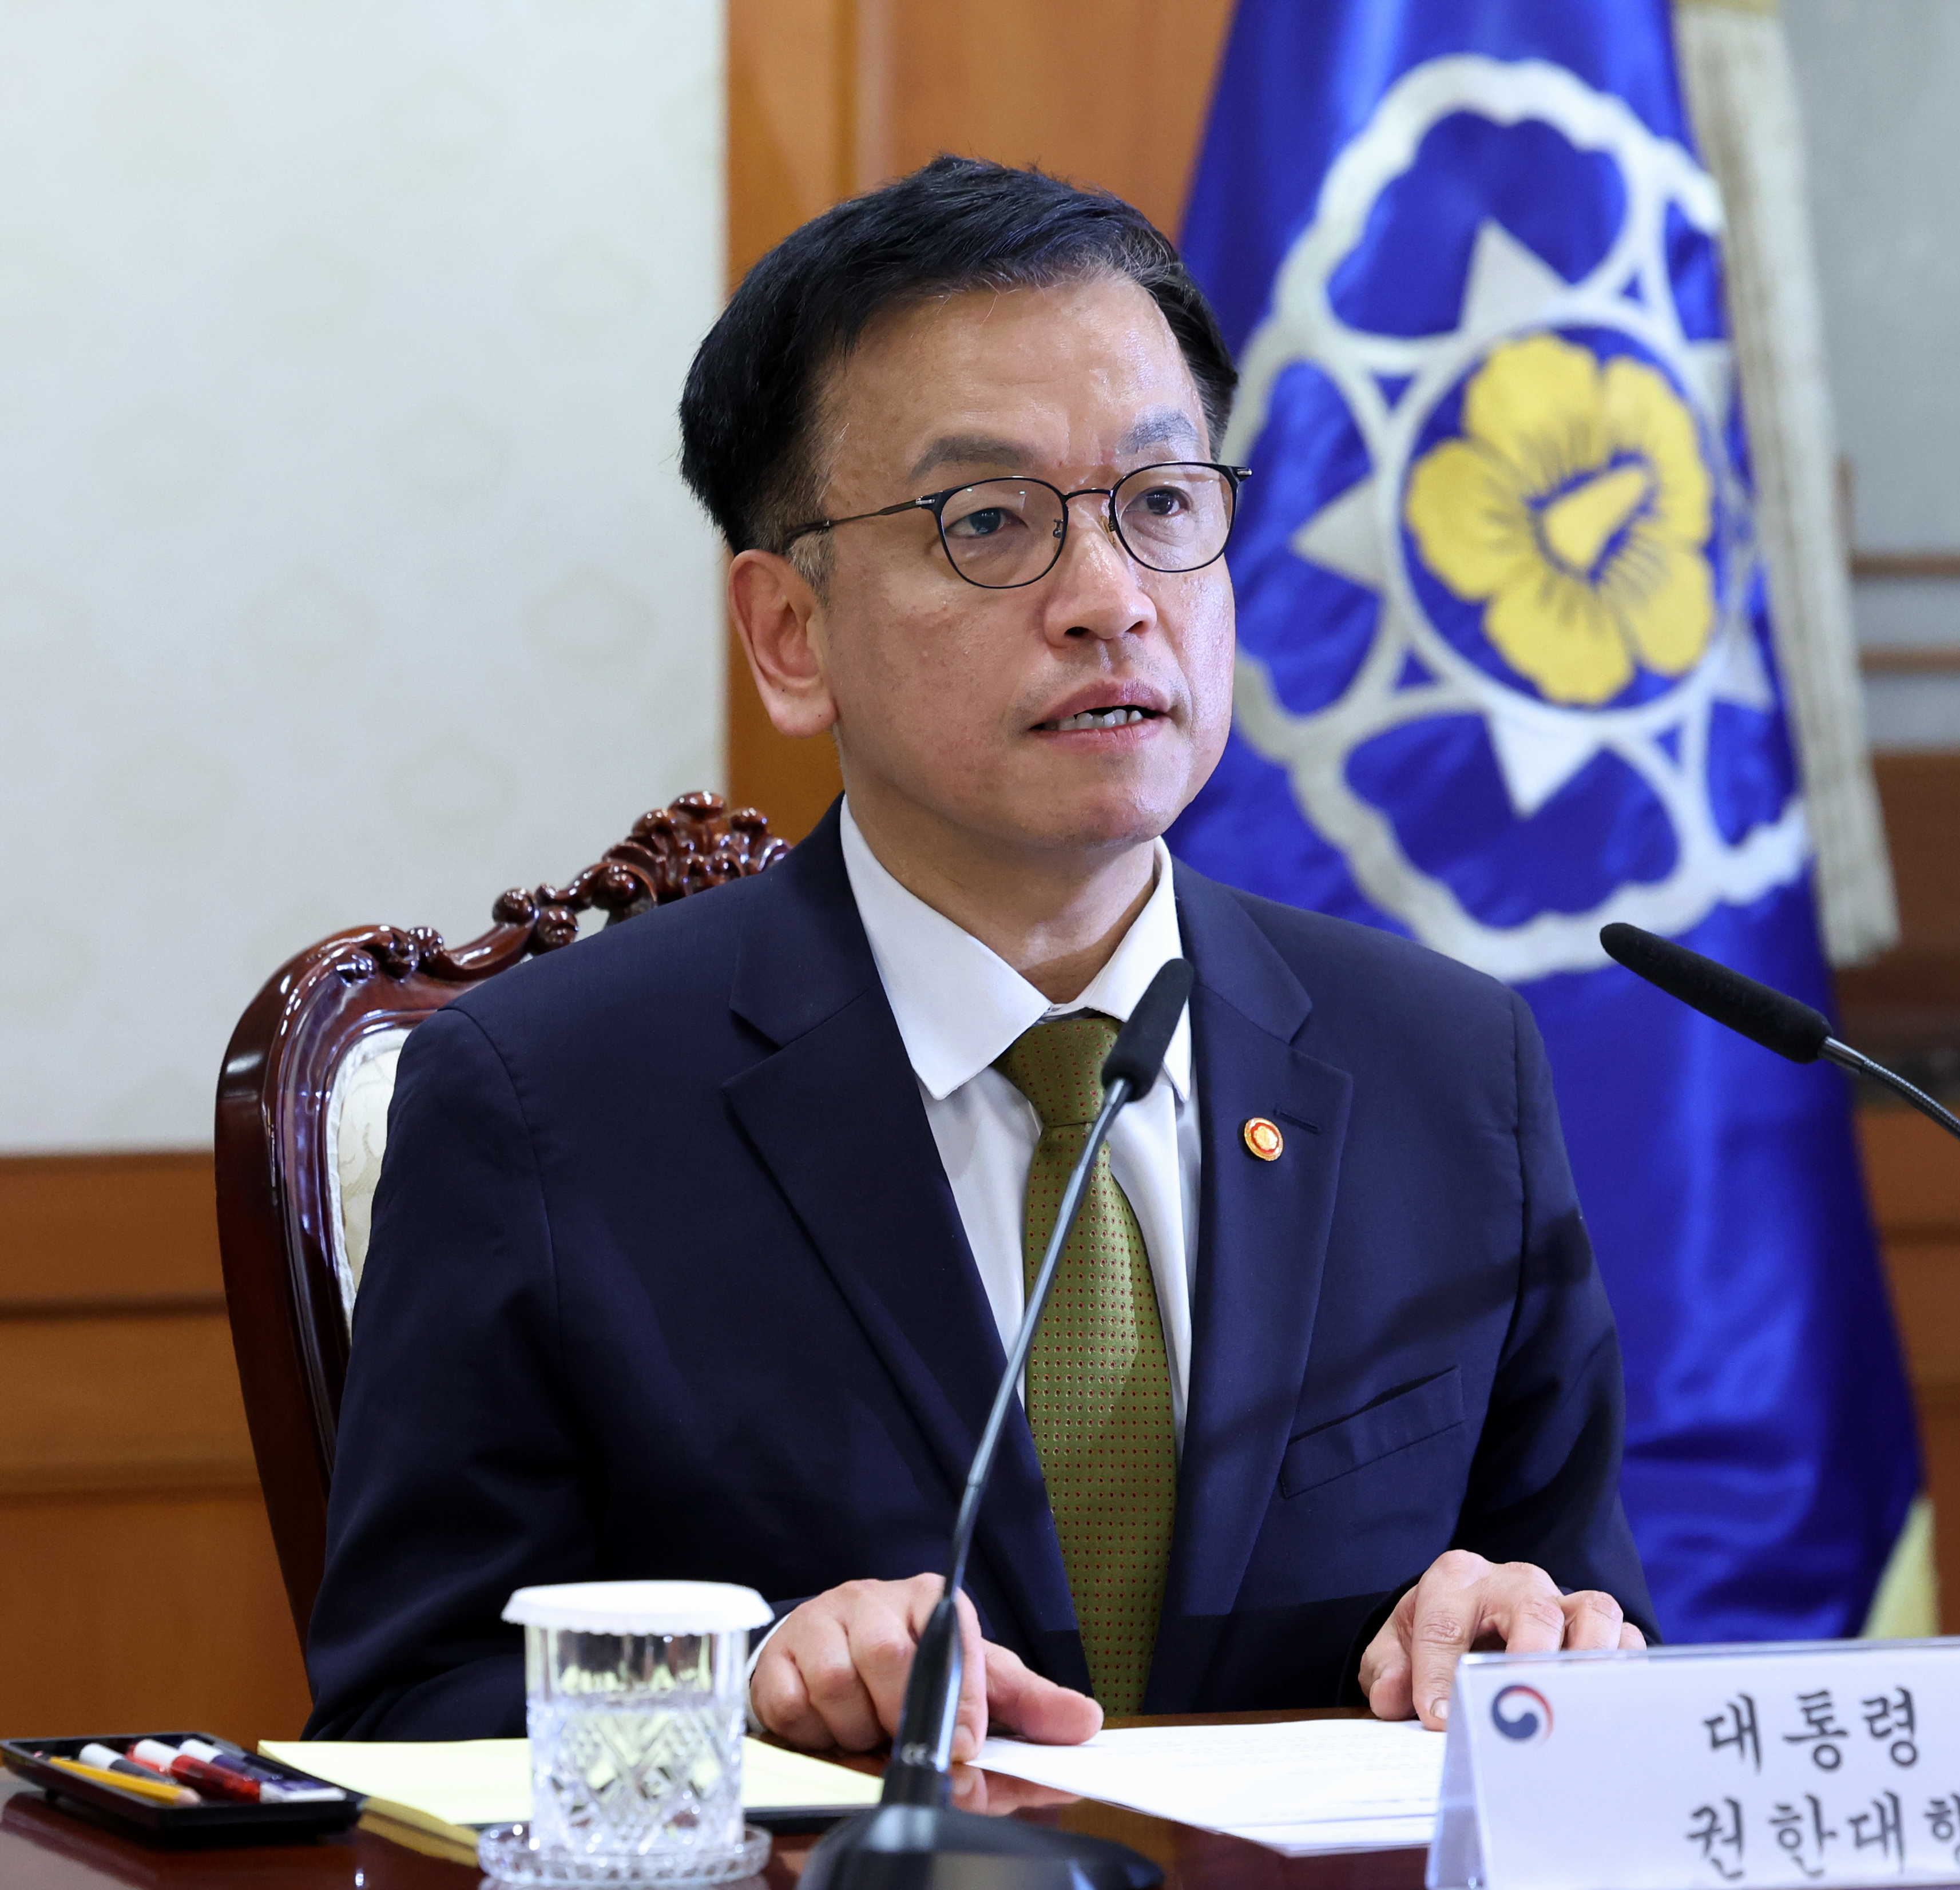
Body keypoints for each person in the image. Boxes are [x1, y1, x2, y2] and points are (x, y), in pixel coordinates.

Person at [303, 156, 1655, 1758]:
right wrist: (737, 1695)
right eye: (989, 521)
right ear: (791, 635)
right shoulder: (549, 1105)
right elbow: (404, 1713)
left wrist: (1530, 1629)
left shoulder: (1446, 1070)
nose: (1110, 601)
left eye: (1162, 504)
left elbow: (1589, 1622)